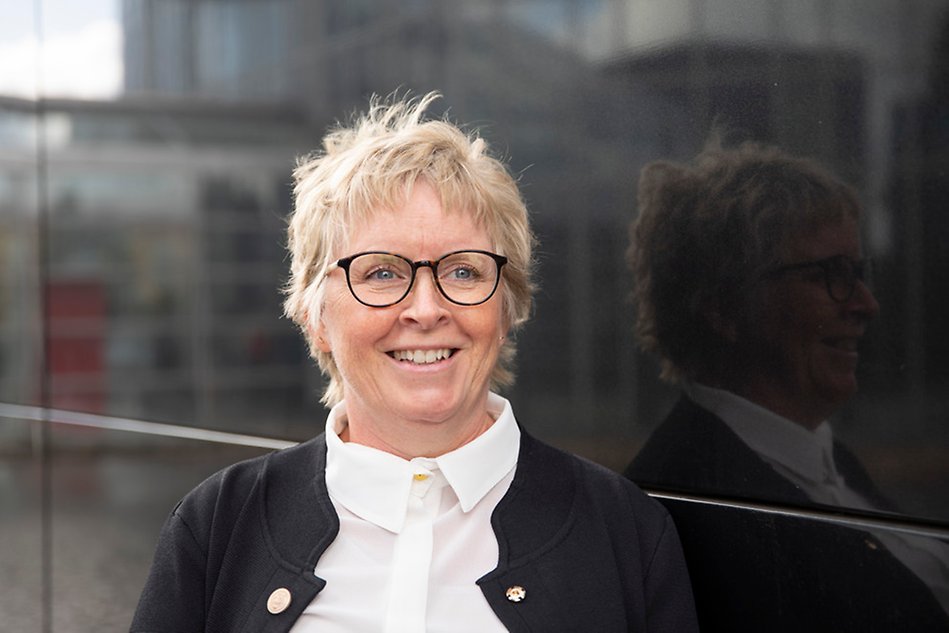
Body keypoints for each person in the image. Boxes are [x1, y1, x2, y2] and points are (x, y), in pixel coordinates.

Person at [131, 92, 698, 633]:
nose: (426, 310)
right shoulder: (218, 527)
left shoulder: (625, 534)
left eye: (463, 271)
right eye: (381, 273)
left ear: (509, 306)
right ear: (314, 317)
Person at [623, 139, 948, 630]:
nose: (865, 304)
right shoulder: (683, 510)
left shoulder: (819, 457)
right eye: (828, 276)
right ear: (724, 307)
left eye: (858, 273)